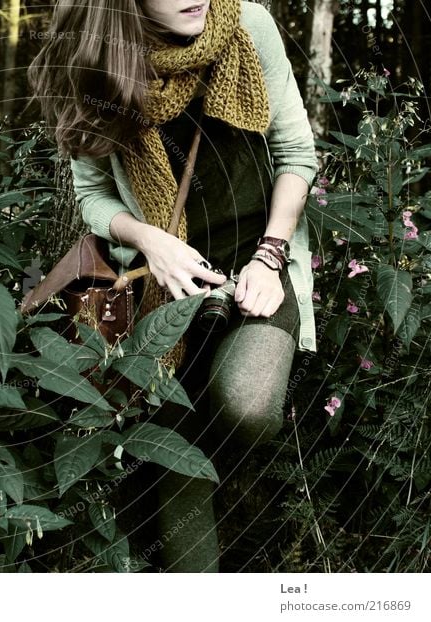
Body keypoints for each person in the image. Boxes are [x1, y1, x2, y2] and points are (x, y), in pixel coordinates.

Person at [28, 0, 318, 571]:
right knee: (173, 456)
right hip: (159, 287)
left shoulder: (245, 27)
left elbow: (296, 155)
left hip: (252, 266)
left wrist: (270, 254)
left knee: (248, 407)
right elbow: (91, 195)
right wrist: (152, 242)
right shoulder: (98, 57)